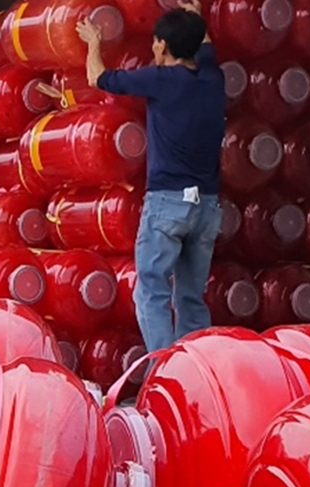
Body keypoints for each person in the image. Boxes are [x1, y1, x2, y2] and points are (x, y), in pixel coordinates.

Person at [82, 0, 224, 352]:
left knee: (151, 291)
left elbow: (97, 77)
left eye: (155, 43)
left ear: (161, 45)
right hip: (207, 205)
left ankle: (163, 367)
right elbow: (205, 49)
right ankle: (196, 366)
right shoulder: (212, 78)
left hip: (168, 204)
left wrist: (93, 42)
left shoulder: (160, 79)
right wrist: (195, 17)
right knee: (191, 297)